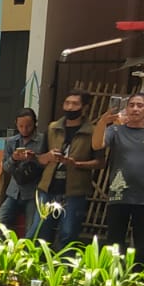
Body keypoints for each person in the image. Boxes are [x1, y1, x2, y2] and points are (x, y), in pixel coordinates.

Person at [93, 92, 144, 264]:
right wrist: (102, 122)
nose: (135, 109)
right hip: (119, 195)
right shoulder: (115, 130)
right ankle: (112, 282)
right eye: (131, 105)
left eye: (140, 105)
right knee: (114, 244)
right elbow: (97, 144)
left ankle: (138, 283)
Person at [39, 94, 99, 248]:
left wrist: (76, 163)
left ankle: (64, 269)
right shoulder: (53, 128)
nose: (70, 107)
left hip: (75, 190)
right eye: (67, 103)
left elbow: (100, 162)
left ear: (84, 107)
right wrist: (49, 156)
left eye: (75, 104)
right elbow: (40, 158)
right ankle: (39, 267)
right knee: (41, 232)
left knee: (68, 233)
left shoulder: (92, 131)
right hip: (48, 188)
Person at [0, 109, 47, 237]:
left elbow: (47, 164)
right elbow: (6, 168)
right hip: (14, 192)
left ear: (34, 124)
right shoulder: (11, 142)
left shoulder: (42, 141)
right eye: (21, 126)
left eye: (28, 126)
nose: (24, 129)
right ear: (16, 124)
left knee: (31, 232)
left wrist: (34, 158)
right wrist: (14, 158)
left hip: (33, 193)